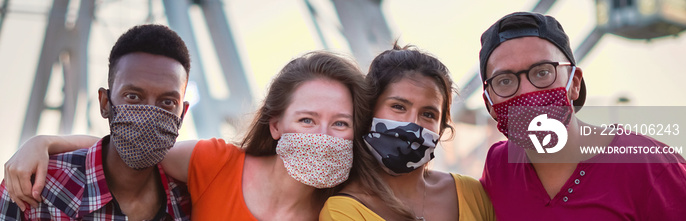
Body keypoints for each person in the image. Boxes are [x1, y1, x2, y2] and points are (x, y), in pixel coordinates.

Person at [5, 50, 371, 220]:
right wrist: (45, 143)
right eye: (307, 120)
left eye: (340, 123)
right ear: (275, 124)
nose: (323, 136)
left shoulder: (343, 209)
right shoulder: (217, 165)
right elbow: (135, 147)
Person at [478, 12, 686, 220]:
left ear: (574, 83)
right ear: (490, 104)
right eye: (505, 81)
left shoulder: (652, 166)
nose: (527, 91)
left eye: (542, 72)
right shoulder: (498, 167)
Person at [0, 24, 192, 220]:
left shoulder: (189, 198)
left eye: (167, 102)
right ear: (105, 103)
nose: (150, 114)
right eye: (133, 97)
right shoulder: (33, 188)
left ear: (182, 114)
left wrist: (44, 142)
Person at [320, 44, 495, 220]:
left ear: (441, 129)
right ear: (369, 111)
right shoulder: (343, 211)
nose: (412, 123)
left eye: (428, 114)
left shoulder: (472, 193)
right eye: (398, 107)